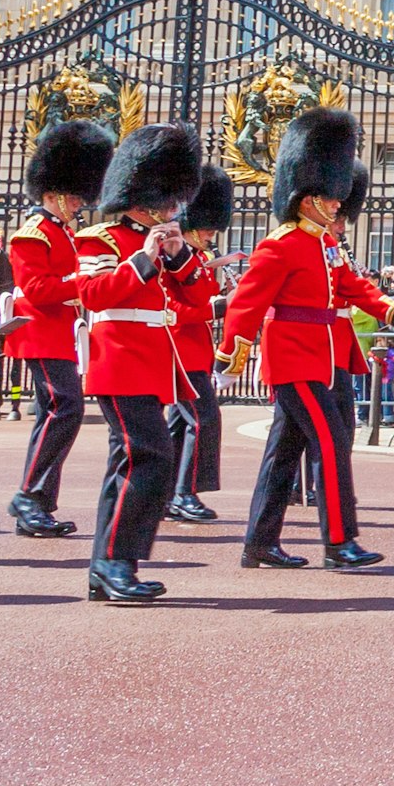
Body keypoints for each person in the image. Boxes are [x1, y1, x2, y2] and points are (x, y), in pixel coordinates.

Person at [223, 109, 390, 575]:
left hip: (325, 357)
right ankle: (338, 543)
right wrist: (231, 353)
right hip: (295, 360)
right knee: (332, 443)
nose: (339, 205)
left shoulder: (323, 245)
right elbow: (247, 303)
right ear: (308, 197)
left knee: (284, 454)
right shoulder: (280, 244)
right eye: (331, 198)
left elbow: (352, 287)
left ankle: (259, 543)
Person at [76, 124, 208, 605]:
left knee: (139, 460)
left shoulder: (161, 241)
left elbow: (199, 293)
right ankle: (114, 562)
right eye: (166, 199)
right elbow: (92, 293)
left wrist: (176, 258)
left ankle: (112, 565)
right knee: (148, 457)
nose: (173, 209)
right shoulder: (101, 238)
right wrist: (145, 260)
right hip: (118, 361)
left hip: (151, 363)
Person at [5, 118, 113, 540]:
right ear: (50, 193)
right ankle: (29, 496)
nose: (79, 203)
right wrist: (81, 285)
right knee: (63, 409)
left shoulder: (65, 232)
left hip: (62, 333)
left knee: (58, 413)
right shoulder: (32, 234)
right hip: (40, 332)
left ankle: (37, 503)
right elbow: (35, 288)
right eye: (72, 196)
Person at [163, 165, 234, 524]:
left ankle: (166, 492)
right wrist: (220, 306)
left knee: (179, 423)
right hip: (179, 350)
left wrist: (216, 269)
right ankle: (184, 493)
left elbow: (202, 293)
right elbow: (169, 308)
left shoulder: (197, 258)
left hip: (194, 351)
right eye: (207, 226)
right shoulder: (171, 255)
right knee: (204, 419)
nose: (211, 233)